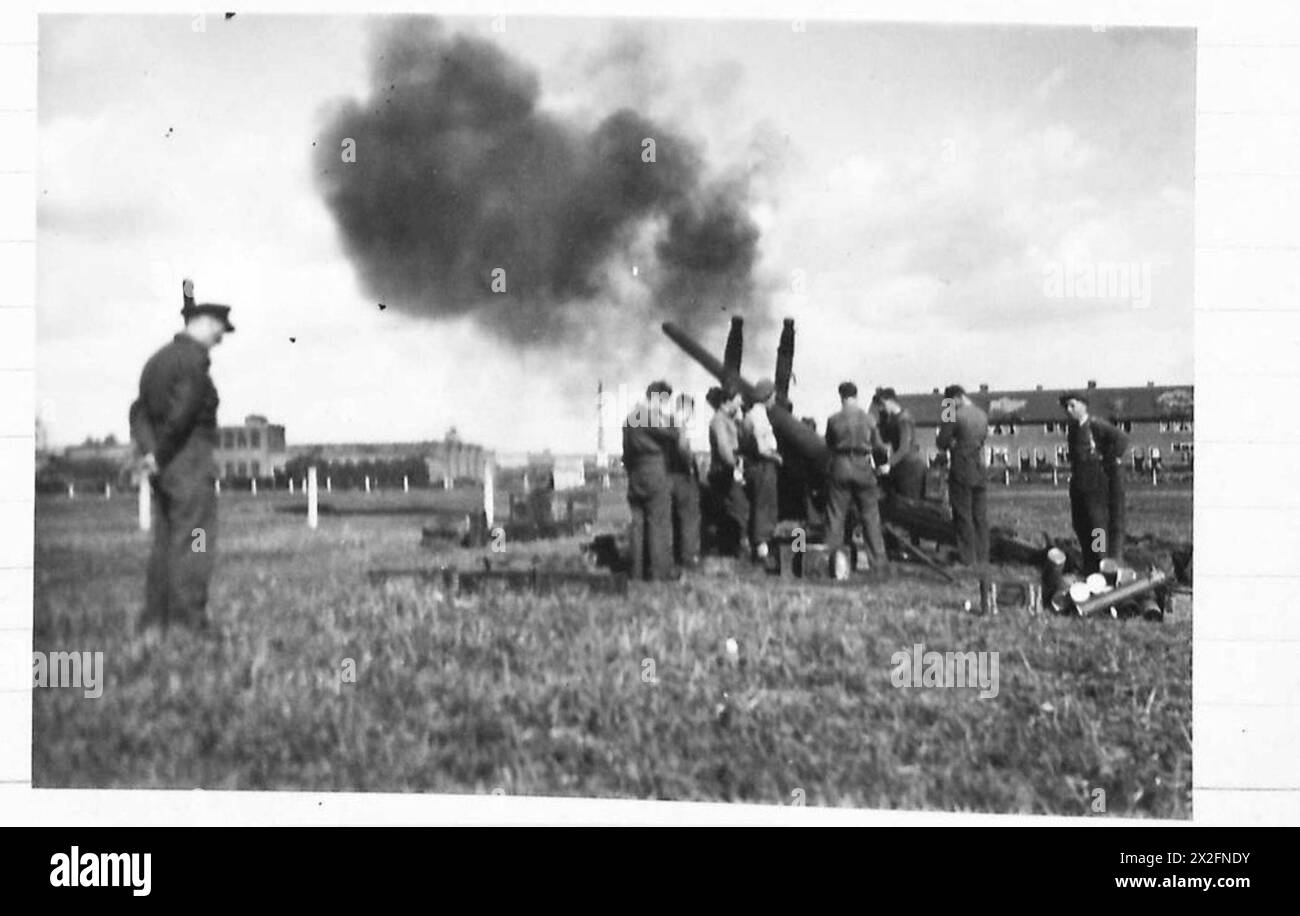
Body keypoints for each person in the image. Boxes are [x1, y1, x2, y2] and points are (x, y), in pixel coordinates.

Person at [129, 278, 233, 631]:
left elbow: (138, 412)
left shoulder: (156, 361)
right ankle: (189, 624)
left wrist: (150, 454)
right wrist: (161, 453)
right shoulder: (193, 362)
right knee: (196, 542)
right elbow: (184, 414)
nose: (220, 337)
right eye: (219, 329)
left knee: (165, 543)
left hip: (164, 468)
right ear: (203, 322)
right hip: (189, 463)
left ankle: (155, 622)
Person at [823, 381, 889, 572]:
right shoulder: (869, 419)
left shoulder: (833, 419)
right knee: (870, 516)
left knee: (835, 516)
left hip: (841, 467)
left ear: (841, 397)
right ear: (856, 396)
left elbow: (829, 446)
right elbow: (878, 446)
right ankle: (878, 563)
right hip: (863, 467)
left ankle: (831, 563)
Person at [1060, 391, 1129, 573]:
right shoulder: (1073, 429)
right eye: (1066, 406)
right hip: (1079, 484)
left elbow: (1121, 439)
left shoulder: (1095, 425)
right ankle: (1089, 561)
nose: (1068, 410)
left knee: (1097, 525)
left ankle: (1101, 561)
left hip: (1095, 484)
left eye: (1072, 405)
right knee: (1081, 524)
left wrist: (1106, 459)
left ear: (1083, 405)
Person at [621, 380, 677, 581]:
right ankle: (660, 575)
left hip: (635, 473)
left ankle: (636, 573)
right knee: (658, 523)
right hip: (654, 471)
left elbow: (626, 453)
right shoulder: (649, 416)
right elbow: (672, 434)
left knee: (638, 525)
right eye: (665, 400)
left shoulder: (630, 418)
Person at [936, 384, 989, 568]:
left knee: (963, 514)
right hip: (979, 468)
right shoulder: (982, 414)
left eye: (949, 402)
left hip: (961, 468)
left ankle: (967, 558)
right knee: (979, 516)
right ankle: (983, 557)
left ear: (955, 398)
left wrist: (947, 410)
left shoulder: (953, 413)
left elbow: (941, 441)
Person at [739, 378, 783, 561]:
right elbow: (761, 446)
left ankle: (760, 546)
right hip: (763, 465)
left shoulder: (751, 414)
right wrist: (776, 457)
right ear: (768, 396)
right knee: (764, 505)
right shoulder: (759, 416)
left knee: (760, 504)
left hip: (756, 465)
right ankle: (762, 550)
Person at [706, 385, 749, 558]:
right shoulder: (719, 421)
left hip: (729, 470)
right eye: (737, 400)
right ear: (727, 401)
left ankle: (731, 547)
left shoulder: (728, 420)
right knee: (737, 509)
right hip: (725, 472)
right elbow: (725, 450)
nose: (740, 404)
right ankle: (735, 549)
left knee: (734, 510)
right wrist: (736, 465)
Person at [668, 392, 702, 569]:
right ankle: (689, 557)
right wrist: (689, 463)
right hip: (681, 475)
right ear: (687, 408)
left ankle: (675, 555)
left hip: (668, 476)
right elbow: (682, 447)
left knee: (674, 517)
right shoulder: (680, 423)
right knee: (689, 516)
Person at [875, 387, 927, 499]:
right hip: (902, 465)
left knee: (909, 505)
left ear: (888, 401)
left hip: (910, 467)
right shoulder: (893, 420)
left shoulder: (903, 420)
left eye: (882, 405)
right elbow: (883, 439)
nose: (880, 409)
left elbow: (904, 447)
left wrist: (890, 464)